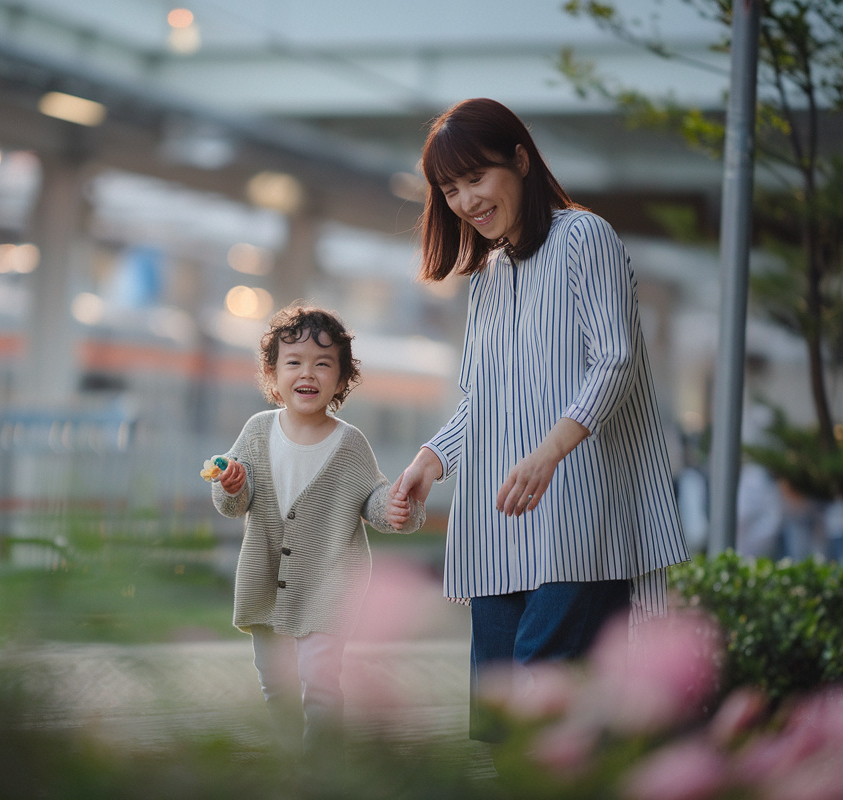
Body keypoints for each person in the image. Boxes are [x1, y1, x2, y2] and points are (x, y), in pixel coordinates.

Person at [390, 98, 689, 741]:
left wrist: (550, 450)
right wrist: (430, 459)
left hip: (579, 521)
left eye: (477, 177)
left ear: (521, 161)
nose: (466, 201)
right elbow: (480, 400)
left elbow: (615, 359)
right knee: (500, 717)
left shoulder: (585, 237)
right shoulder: (488, 276)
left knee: (547, 702)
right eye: (451, 189)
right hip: (497, 527)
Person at [209, 304, 425, 760]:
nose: (308, 373)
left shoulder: (350, 444)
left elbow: (373, 500)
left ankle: (322, 770)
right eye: (294, 362)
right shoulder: (257, 431)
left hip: (329, 584)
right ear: (273, 374)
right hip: (266, 580)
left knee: (319, 681)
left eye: (323, 364)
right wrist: (232, 485)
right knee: (275, 682)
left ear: (342, 380)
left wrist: (396, 506)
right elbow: (234, 502)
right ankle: (292, 760)